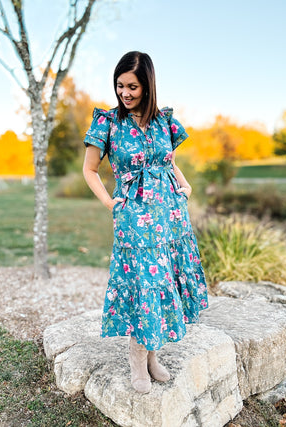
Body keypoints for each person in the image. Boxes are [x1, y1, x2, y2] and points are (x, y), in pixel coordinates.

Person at [83, 51, 209, 394]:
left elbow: (167, 162)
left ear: (148, 85)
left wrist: (183, 183)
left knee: (164, 281)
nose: (125, 93)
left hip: (169, 214)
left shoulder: (162, 121)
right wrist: (110, 202)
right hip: (134, 216)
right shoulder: (107, 122)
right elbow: (90, 169)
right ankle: (137, 360)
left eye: (133, 86)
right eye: (120, 85)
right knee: (144, 286)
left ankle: (153, 357)